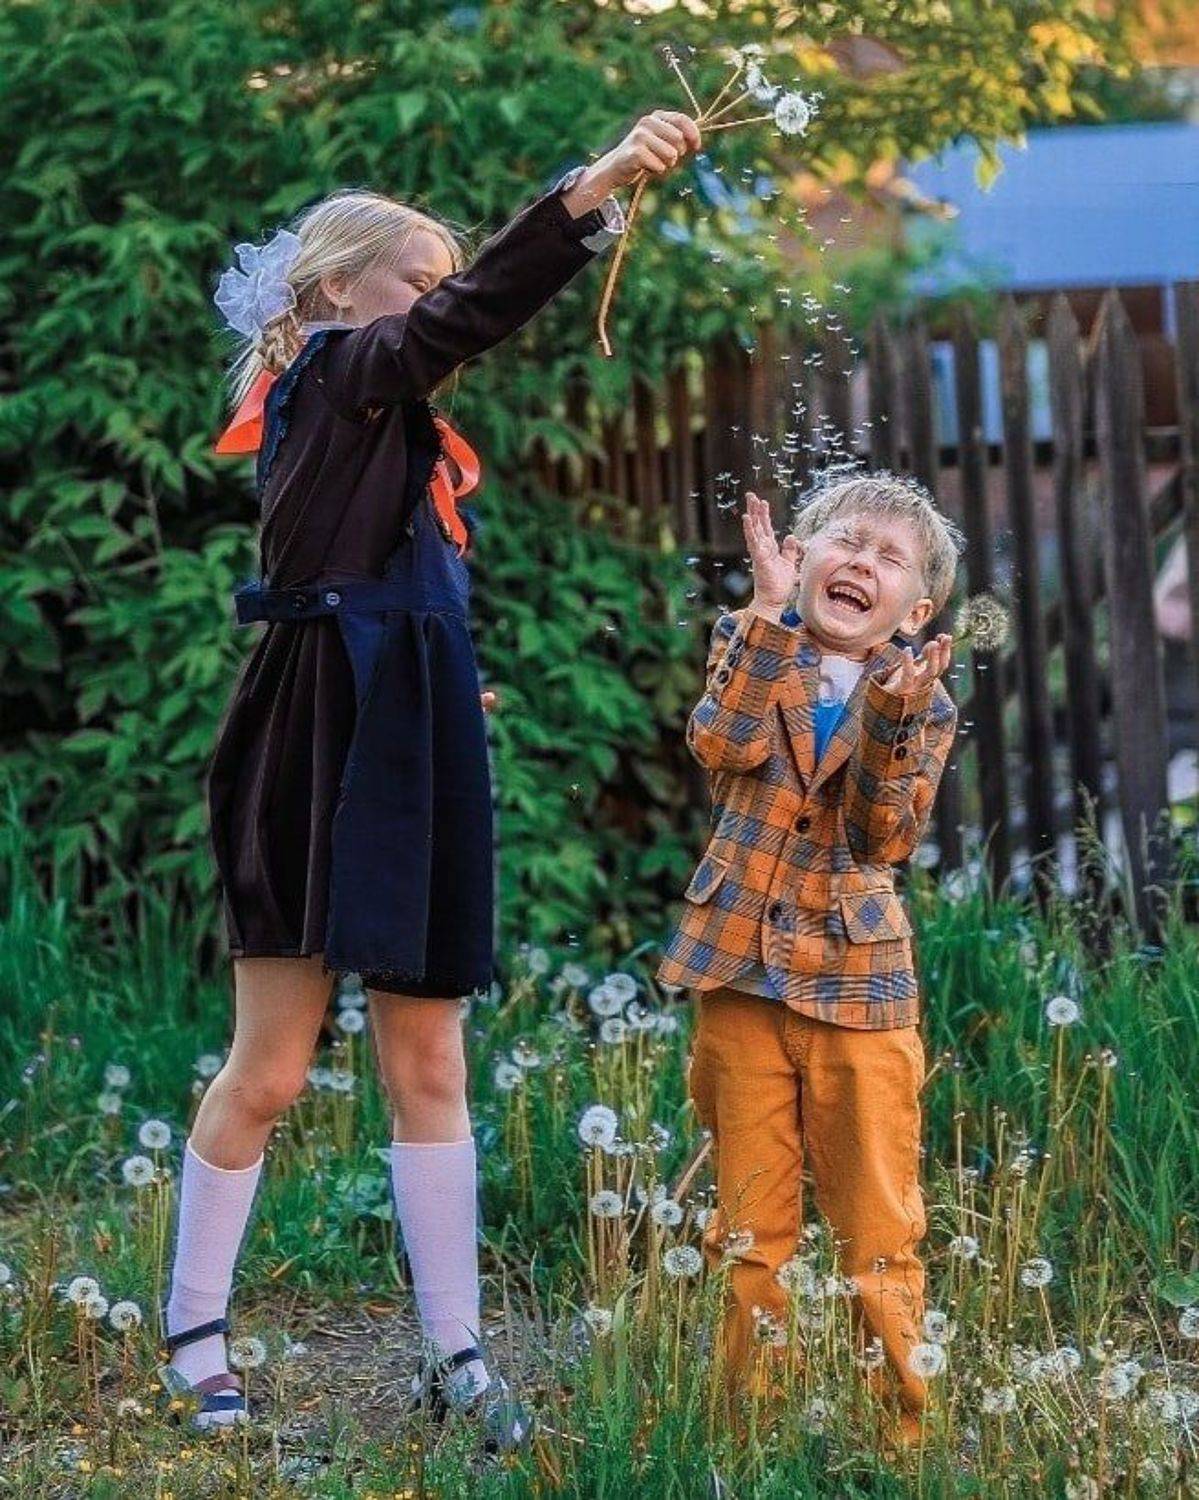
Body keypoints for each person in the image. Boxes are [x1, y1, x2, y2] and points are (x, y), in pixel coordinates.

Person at [159, 108, 703, 1444]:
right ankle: (192, 1335)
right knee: (270, 1069)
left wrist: (446, 685)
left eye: (442, 279)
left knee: (430, 1056)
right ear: (337, 292)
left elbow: (397, 597)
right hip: (309, 745)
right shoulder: (335, 373)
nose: (438, 300)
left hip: (412, 741)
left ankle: (457, 1354)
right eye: (418, 277)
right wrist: (591, 188)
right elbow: (457, 323)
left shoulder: (390, 429)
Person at [658, 477, 961, 1447]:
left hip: (857, 994)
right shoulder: (751, 642)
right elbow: (720, 744)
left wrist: (892, 720)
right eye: (845, 541)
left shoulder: (922, 702)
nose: (860, 562)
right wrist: (761, 612)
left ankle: (900, 1441)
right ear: (799, 560)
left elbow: (880, 837)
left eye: (887, 557)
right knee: (748, 1233)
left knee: (878, 1231)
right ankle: (748, 1440)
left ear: (912, 612)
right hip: (738, 983)